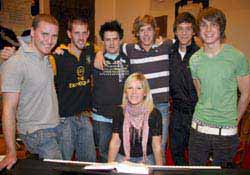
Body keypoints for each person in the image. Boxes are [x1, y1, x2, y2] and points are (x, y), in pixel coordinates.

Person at [95, 15, 172, 163]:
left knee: (158, 147)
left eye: (149, 29)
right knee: (121, 145)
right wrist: (99, 53)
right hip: (131, 108)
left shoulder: (166, 46)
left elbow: (183, 42)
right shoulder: (129, 49)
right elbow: (107, 47)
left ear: (155, 31)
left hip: (159, 106)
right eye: (142, 30)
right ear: (136, 33)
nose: (146, 34)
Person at [189, 7, 250, 166]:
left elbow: (246, 94)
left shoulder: (237, 57)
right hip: (199, 129)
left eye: (213, 25)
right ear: (198, 30)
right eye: (203, 25)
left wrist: (234, 120)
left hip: (226, 132)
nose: (208, 30)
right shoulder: (194, 60)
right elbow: (201, 93)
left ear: (221, 28)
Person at [0, 14, 62, 170]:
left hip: (52, 127)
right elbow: (8, 109)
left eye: (54, 36)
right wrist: (11, 151)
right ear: (33, 32)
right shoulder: (16, 63)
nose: (49, 41)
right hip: (38, 133)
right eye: (44, 34)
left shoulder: (45, 56)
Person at [49, 16, 96, 162]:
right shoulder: (58, 56)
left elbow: (104, 48)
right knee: (64, 161)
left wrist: (100, 53)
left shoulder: (91, 51)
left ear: (88, 34)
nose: (81, 37)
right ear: (69, 34)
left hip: (85, 117)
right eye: (77, 33)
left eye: (84, 33)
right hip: (65, 119)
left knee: (89, 162)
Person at [92, 20, 130, 162]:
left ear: (120, 40)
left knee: (122, 151)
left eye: (115, 39)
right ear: (103, 41)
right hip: (101, 117)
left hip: (122, 115)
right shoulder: (96, 60)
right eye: (107, 39)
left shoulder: (128, 60)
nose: (112, 43)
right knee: (103, 152)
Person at [108, 72, 163, 165]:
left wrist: (160, 170)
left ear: (145, 92)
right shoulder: (119, 112)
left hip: (146, 158)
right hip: (123, 157)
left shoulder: (154, 114)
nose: (134, 92)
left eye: (138, 88)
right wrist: (109, 165)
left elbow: (156, 146)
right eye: (130, 88)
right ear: (126, 92)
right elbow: (115, 142)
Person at [169, 12, 199, 165]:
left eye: (188, 29)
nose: (184, 32)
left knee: (196, 155)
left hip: (196, 114)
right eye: (180, 28)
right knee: (176, 153)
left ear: (194, 31)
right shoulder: (169, 52)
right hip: (176, 113)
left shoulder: (200, 54)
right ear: (175, 31)